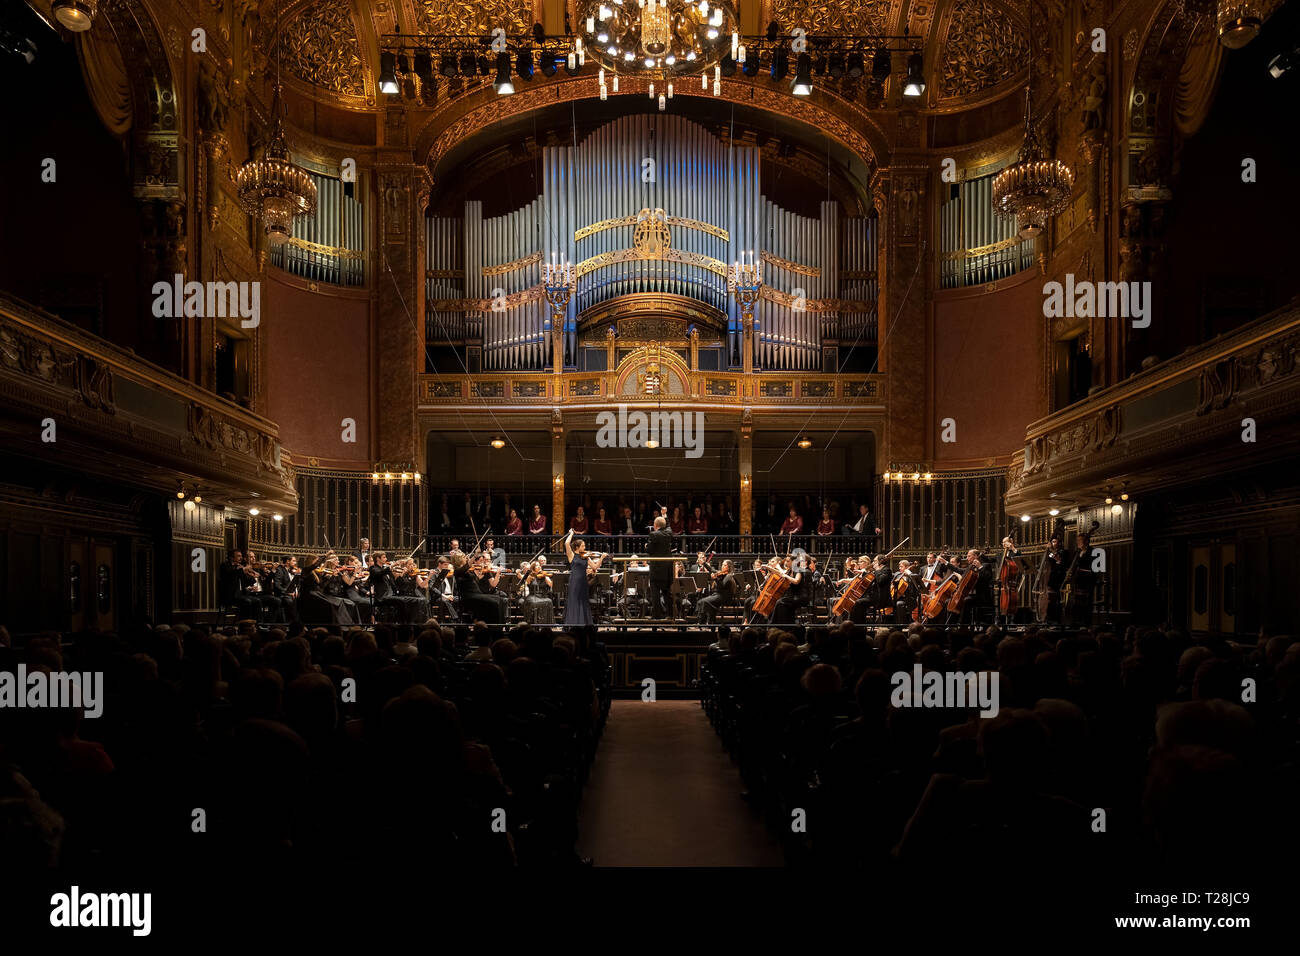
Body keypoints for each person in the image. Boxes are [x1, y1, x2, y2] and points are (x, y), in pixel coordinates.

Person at [562, 530, 603, 627]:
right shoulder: (572, 555)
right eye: (583, 546)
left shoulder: (586, 557)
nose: (585, 548)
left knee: (583, 601)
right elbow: (567, 543)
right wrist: (571, 533)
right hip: (574, 582)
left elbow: (595, 567)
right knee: (574, 601)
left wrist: (601, 558)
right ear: (577, 547)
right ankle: (573, 623)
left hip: (583, 582)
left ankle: (584, 623)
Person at [645, 516, 675, 619]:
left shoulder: (654, 534)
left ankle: (656, 615)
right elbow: (669, 527)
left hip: (656, 569)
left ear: (655, 525)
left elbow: (649, 550)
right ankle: (670, 615)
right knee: (667, 593)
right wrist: (665, 515)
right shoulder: (669, 533)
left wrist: (646, 546)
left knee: (655, 593)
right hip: (667, 569)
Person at [1036, 535, 1066, 624]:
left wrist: (1051, 550)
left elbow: (1059, 560)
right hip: (1047, 580)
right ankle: (1044, 618)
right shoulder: (1049, 553)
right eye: (1052, 542)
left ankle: (1054, 619)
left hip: (1055, 579)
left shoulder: (1062, 552)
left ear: (1059, 543)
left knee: (1053, 601)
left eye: (1055, 542)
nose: (1053, 544)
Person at [696, 559, 737, 624]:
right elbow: (711, 570)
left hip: (724, 597)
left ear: (729, 567)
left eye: (725, 565)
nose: (722, 566)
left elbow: (722, 585)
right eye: (722, 565)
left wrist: (715, 579)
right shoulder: (720, 573)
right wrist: (704, 563)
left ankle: (702, 621)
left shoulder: (729, 576)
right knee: (700, 601)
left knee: (704, 601)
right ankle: (705, 621)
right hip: (717, 595)